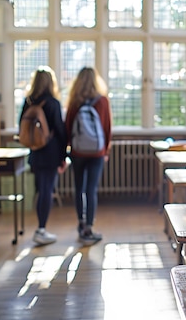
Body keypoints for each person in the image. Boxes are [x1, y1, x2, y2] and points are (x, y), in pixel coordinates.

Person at [19, 66, 68, 245]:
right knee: (48, 189)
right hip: (51, 152)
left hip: (35, 152)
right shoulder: (53, 103)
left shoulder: (28, 102)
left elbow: (22, 127)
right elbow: (61, 130)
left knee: (41, 189)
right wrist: (64, 155)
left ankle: (41, 228)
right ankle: (41, 229)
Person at [64, 67, 112, 245]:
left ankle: (81, 223)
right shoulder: (103, 101)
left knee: (79, 189)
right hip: (97, 152)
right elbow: (107, 128)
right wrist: (105, 150)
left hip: (77, 151)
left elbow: (67, 128)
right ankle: (89, 229)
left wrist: (67, 150)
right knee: (91, 190)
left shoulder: (74, 101)